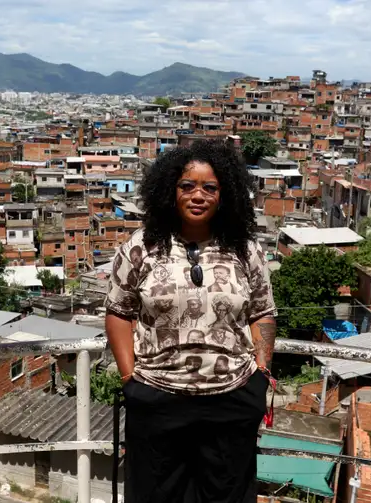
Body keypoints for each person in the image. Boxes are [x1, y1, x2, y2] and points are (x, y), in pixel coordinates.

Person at [105, 140, 278, 503]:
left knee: (225, 494)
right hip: (158, 396)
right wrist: (129, 378)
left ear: (224, 194)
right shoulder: (141, 247)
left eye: (209, 187)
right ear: (170, 191)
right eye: (187, 186)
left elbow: (262, 311)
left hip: (232, 396)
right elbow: (119, 312)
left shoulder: (246, 250)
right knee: (155, 494)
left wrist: (262, 372)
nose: (198, 195)